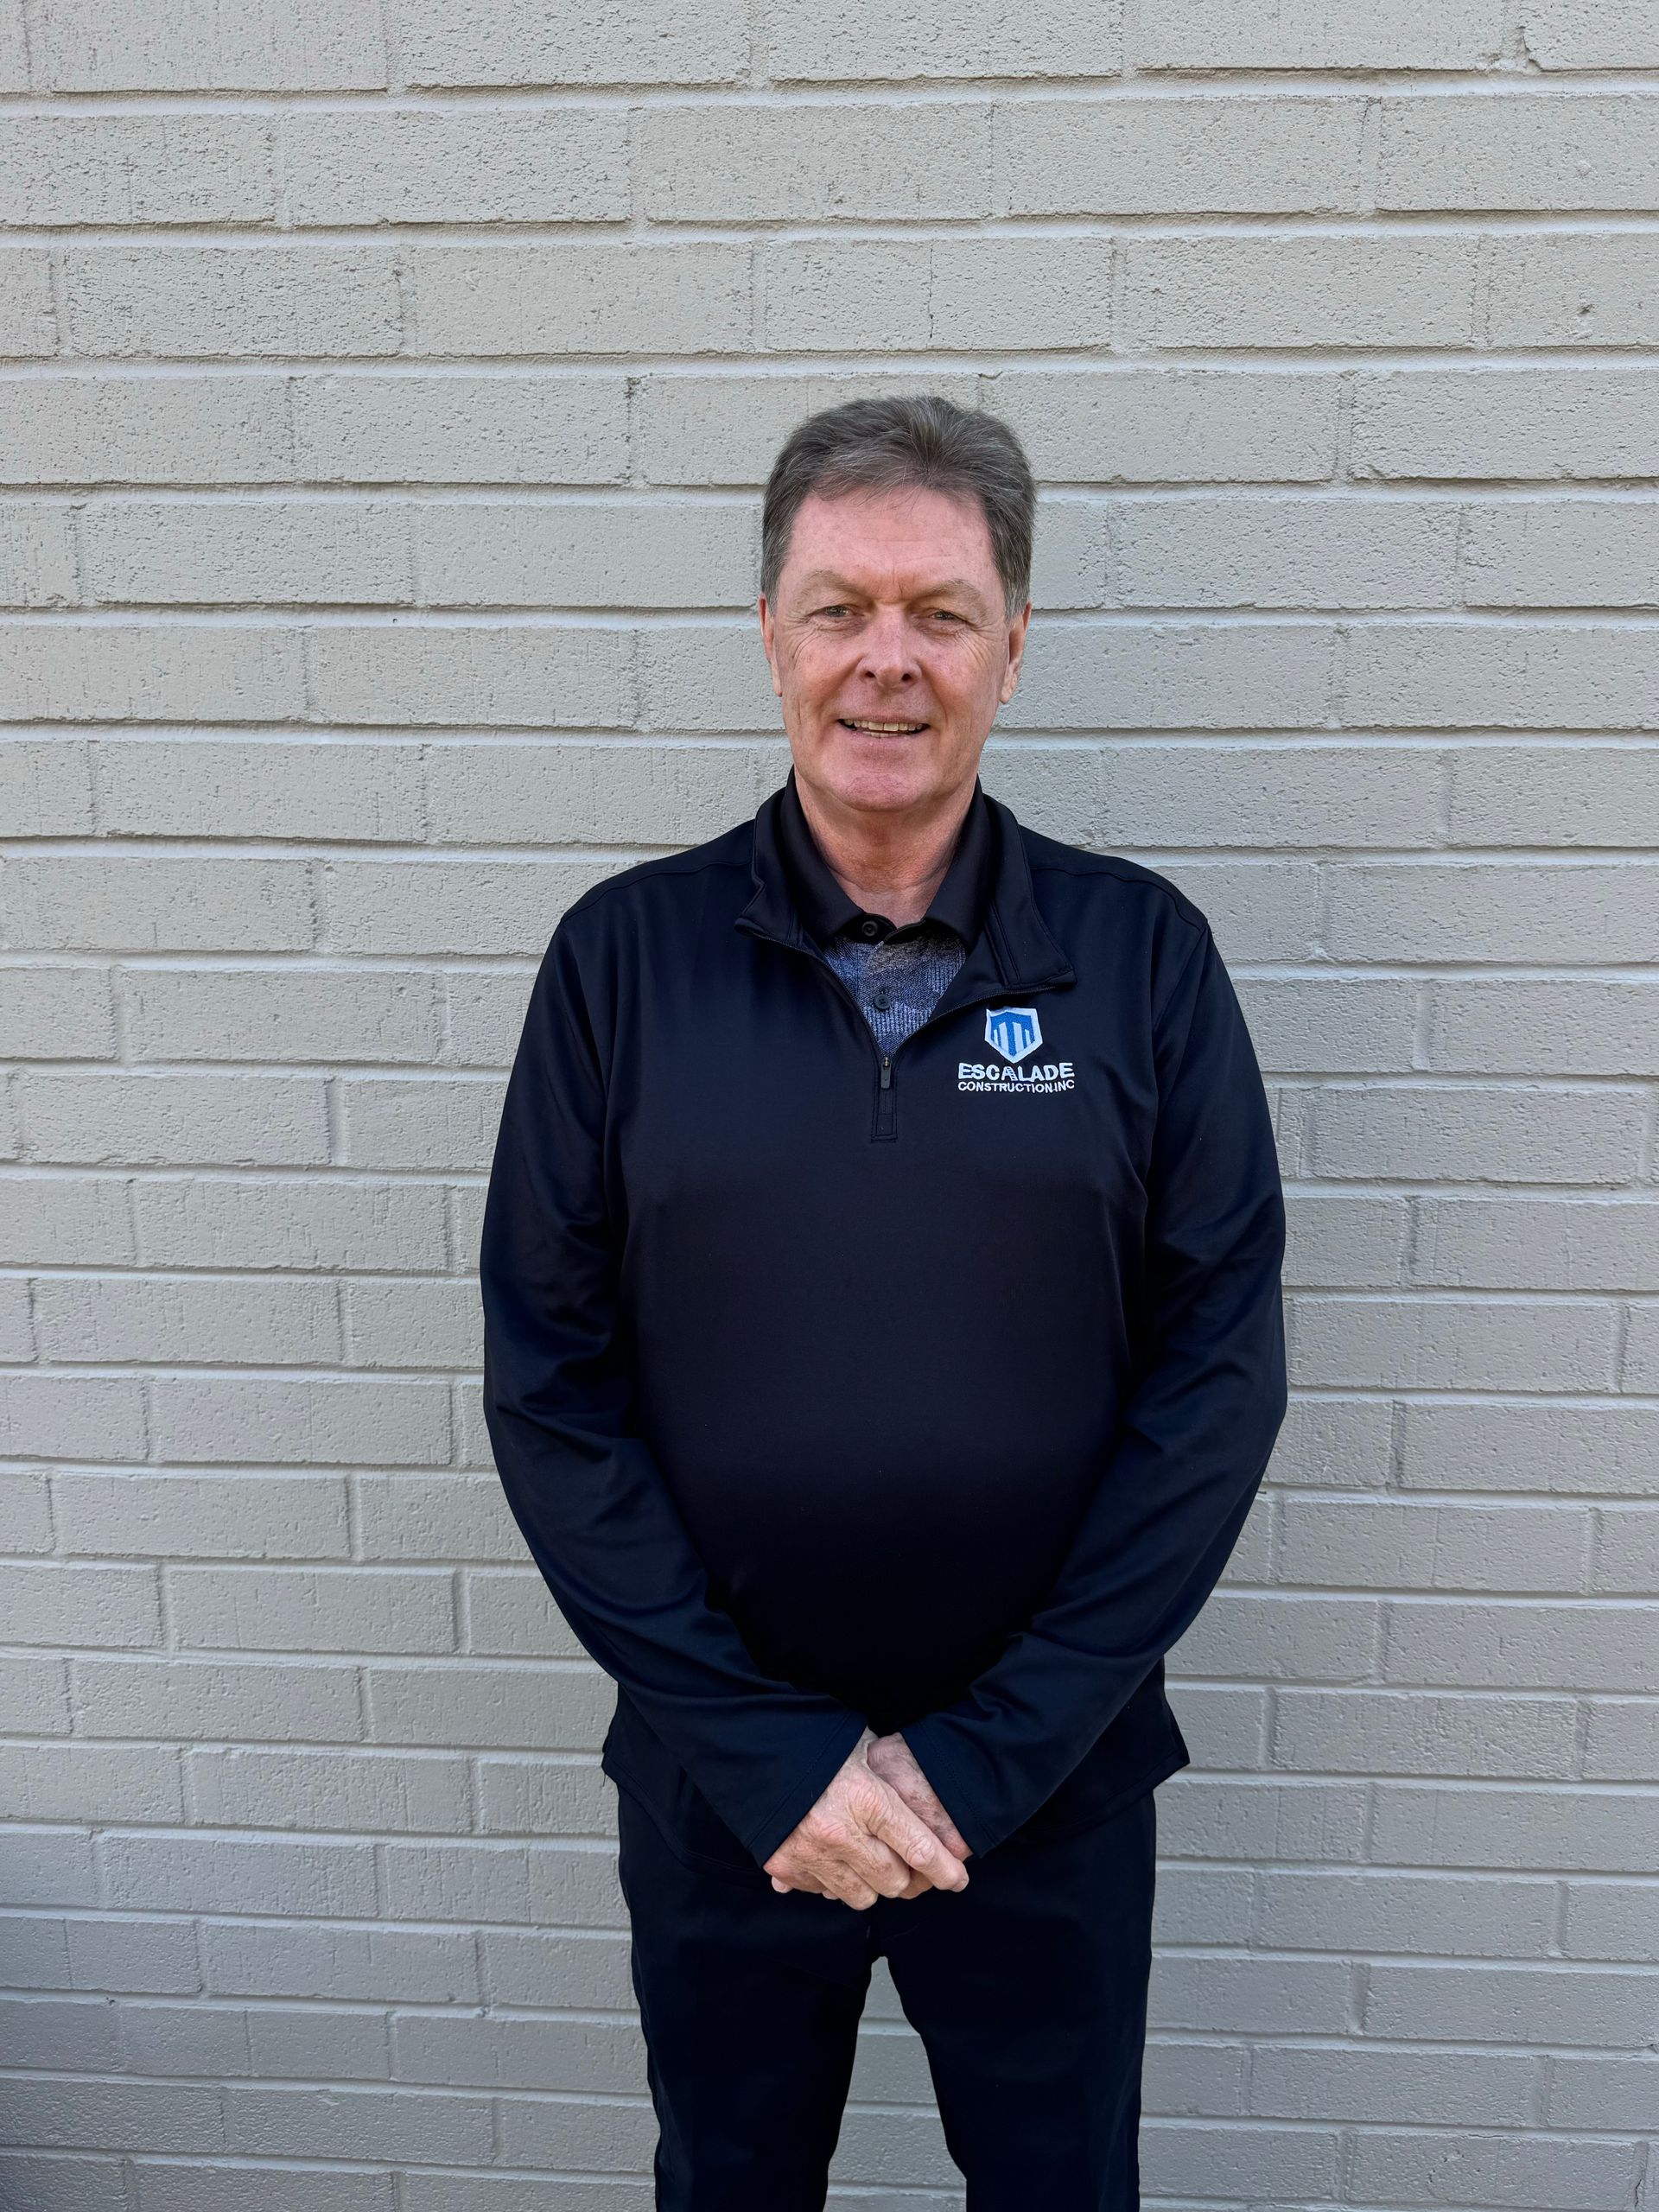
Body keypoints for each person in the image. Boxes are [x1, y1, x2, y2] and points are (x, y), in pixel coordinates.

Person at [478, 393, 1287, 2210]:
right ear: (772, 634)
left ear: (1015, 646)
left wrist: (988, 1762)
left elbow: (1218, 1382)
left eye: (941, 612)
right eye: (840, 608)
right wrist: (770, 1758)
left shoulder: (1141, 957)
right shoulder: (624, 962)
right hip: (726, 1790)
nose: (887, 660)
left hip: (1051, 1788)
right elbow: (550, 1384)